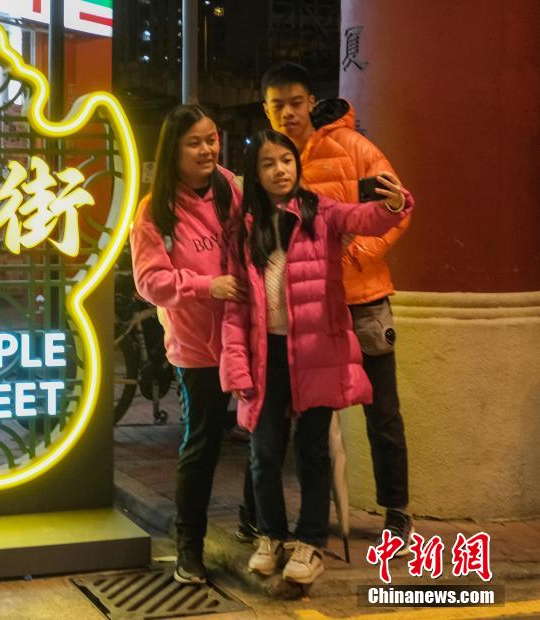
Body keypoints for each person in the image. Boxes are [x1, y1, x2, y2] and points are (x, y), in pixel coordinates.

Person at [220, 129, 412, 585]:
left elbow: (365, 219)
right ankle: (271, 535)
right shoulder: (244, 228)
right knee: (264, 451)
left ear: (297, 165)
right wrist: (235, 364)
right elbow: (235, 306)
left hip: (316, 355)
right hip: (266, 356)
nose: (280, 170)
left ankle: (310, 544)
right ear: (256, 173)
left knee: (312, 451)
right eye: (268, 164)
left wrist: (394, 205)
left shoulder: (320, 212)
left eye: (285, 160)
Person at [260, 61, 414, 548]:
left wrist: (352, 256)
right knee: (287, 409)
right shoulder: (272, 162)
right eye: (277, 105)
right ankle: (266, 518)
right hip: (305, 312)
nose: (288, 113)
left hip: (362, 300)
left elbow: (394, 209)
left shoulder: (355, 149)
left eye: (296, 103)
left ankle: (396, 510)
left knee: (382, 408)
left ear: (311, 101)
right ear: (266, 111)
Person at [130, 104, 246, 584]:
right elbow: (150, 281)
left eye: (212, 139)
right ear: (173, 150)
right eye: (194, 142)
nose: (206, 150)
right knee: (202, 446)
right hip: (197, 347)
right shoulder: (154, 209)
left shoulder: (230, 189)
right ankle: (188, 548)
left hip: (246, 336)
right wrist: (207, 286)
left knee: (265, 439)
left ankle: (258, 530)